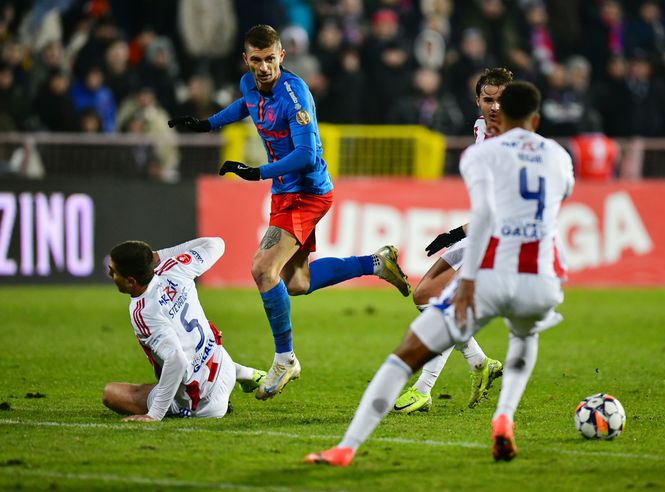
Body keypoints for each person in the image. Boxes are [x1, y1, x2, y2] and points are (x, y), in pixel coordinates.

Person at [305, 81, 574, 466]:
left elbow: (485, 218)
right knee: (524, 333)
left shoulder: (479, 156)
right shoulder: (559, 157)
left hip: (494, 269)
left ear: (505, 112)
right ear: (535, 118)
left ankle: (347, 446)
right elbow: (554, 201)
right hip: (544, 279)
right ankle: (502, 415)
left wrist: (466, 282)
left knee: (404, 356)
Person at [168, 24, 411, 401]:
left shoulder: (295, 96)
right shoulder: (250, 84)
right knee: (296, 283)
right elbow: (246, 104)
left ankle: (285, 359)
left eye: (270, 59)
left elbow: (307, 155)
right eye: (256, 60)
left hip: (308, 192)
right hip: (285, 192)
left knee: (263, 269)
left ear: (281, 56)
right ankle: (376, 263)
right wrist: (208, 124)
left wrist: (256, 172)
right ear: (246, 60)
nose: (263, 68)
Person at [392, 68, 512, 415]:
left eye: (502, 99)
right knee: (423, 296)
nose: (495, 106)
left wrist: (459, 232)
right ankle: (480, 363)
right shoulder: (481, 129)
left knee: (442, 303)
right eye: (489, 99)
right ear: (478, 101)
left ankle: (423, 389)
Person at [102, 237, 266, 421]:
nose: (110, 275)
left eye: (113, 272)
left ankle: (184, 408)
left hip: (204, 403)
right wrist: (160, 255)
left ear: (131, 281)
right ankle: (245, 373)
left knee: (111, 394)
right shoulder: (174, 268)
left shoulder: (144, 312)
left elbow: (176, 361)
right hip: (223, 366)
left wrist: (153, 415)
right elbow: (216, 244)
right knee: (191, 351)